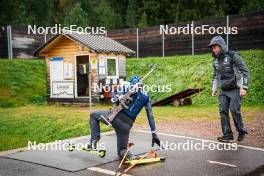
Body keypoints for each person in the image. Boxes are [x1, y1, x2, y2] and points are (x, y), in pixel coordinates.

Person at [89, 76, 160, 159]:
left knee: (93, 115)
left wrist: (116, 97)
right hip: (126, 126)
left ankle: (94, 141)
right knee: (122, 150)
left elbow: (113, 90)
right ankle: (129, 155)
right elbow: (150, 116)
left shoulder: (127, 85)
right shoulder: (147, 97)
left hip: (115, 117)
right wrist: (154, 134)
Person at [209, 36, 249, 142]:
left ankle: (241, 131)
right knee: (222, 111)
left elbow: (244, 71)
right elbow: (215, 76)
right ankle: (227, 135)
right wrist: (214, 88)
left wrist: (243, 87)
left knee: (234, 110)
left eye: (215, 47)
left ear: (221, 46)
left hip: (235, 88)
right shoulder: (215, 61)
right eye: (212, 48)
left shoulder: (232, 55)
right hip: (223, 90)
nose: (214, 50)